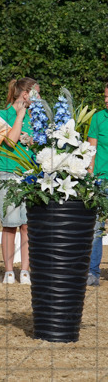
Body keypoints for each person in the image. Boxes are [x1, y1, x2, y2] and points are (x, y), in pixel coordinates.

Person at [0, 77, 37, 286]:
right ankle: (9, 271)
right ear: (25, 94)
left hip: (30, 175)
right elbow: (10, 141)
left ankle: (26, 271)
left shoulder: (35, 117)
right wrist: (20, 115)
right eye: (37, 93)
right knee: (10, 225)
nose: (40, 98)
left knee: (28, 225)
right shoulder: (3, 115)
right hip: (8, 174)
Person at [87, 82, 108, 286]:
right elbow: (91, 152)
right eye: (105, 97)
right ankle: (92, 272)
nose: (106, 100)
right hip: (101, 182)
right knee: (96, 229)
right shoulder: (98, 118)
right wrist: (90, 177)